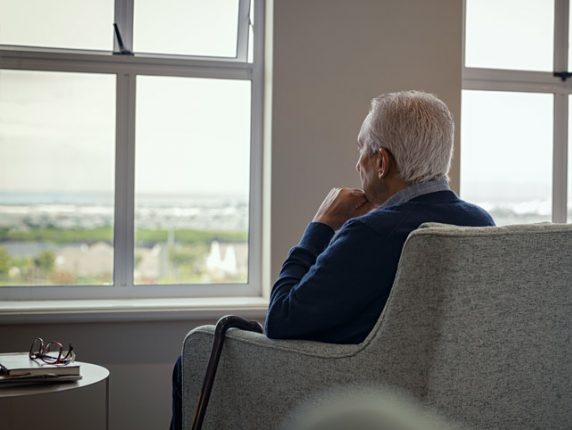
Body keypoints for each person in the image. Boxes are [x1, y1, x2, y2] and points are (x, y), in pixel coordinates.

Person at [170, 90, 494, 429]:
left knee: (195, 357)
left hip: (350, 388)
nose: (357, 164)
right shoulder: (481, 224)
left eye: (361, 149)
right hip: (434, 399)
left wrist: (321, 225)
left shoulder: (372, 233)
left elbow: (281, 319)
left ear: (381, 162)